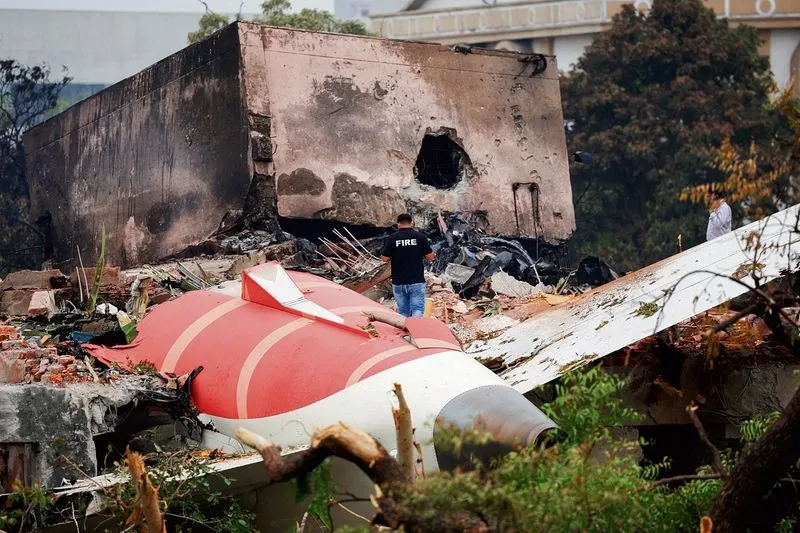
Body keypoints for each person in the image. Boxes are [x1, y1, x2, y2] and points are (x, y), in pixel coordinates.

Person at [381, 213, 435, 317]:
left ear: (398, 224)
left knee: (403, 313)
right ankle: (415, 327)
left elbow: (384, 258)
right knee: (417, 309)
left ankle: (405, 327)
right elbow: (430, 257)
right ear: (411, 223)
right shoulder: (420, 237)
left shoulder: (392, 238)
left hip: (399, 281)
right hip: (416, 280)